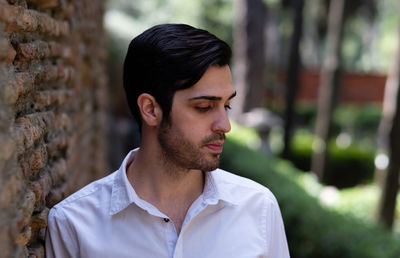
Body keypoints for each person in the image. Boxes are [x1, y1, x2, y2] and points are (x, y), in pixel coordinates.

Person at [45, 24, 290, 258]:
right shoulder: (73, 225)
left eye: (226, 106)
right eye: (204, 107)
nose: (225, 125)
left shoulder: (258, 208)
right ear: (151, 109)